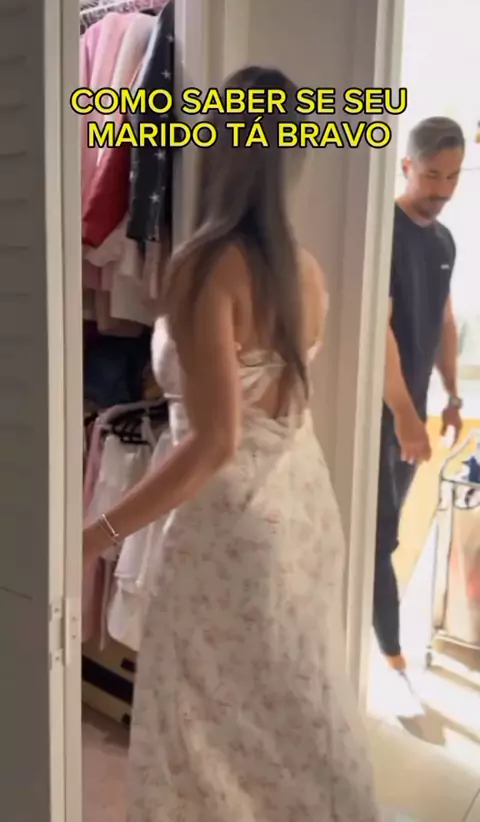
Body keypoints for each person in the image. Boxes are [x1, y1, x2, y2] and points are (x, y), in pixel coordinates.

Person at [83, 66, 381, 821]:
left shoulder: (206, 264)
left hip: (229, 526)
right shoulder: (303, 272)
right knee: (296, 720)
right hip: (303, 510)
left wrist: (96, 534)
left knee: (199, 732)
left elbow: (215, 442)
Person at [375, 117, 465, 673]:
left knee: (387, 530)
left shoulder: (444, 239)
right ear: (407, 166)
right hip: (380, 410)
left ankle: (385, 647)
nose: (443, 190)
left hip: (415, 406)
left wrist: (453, 395)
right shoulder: (382, 228)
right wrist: (404, 414)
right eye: (432, 175)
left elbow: (444, 319)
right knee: (378, 535)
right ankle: (390, 652)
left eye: (453, 177)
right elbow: (378, 329)